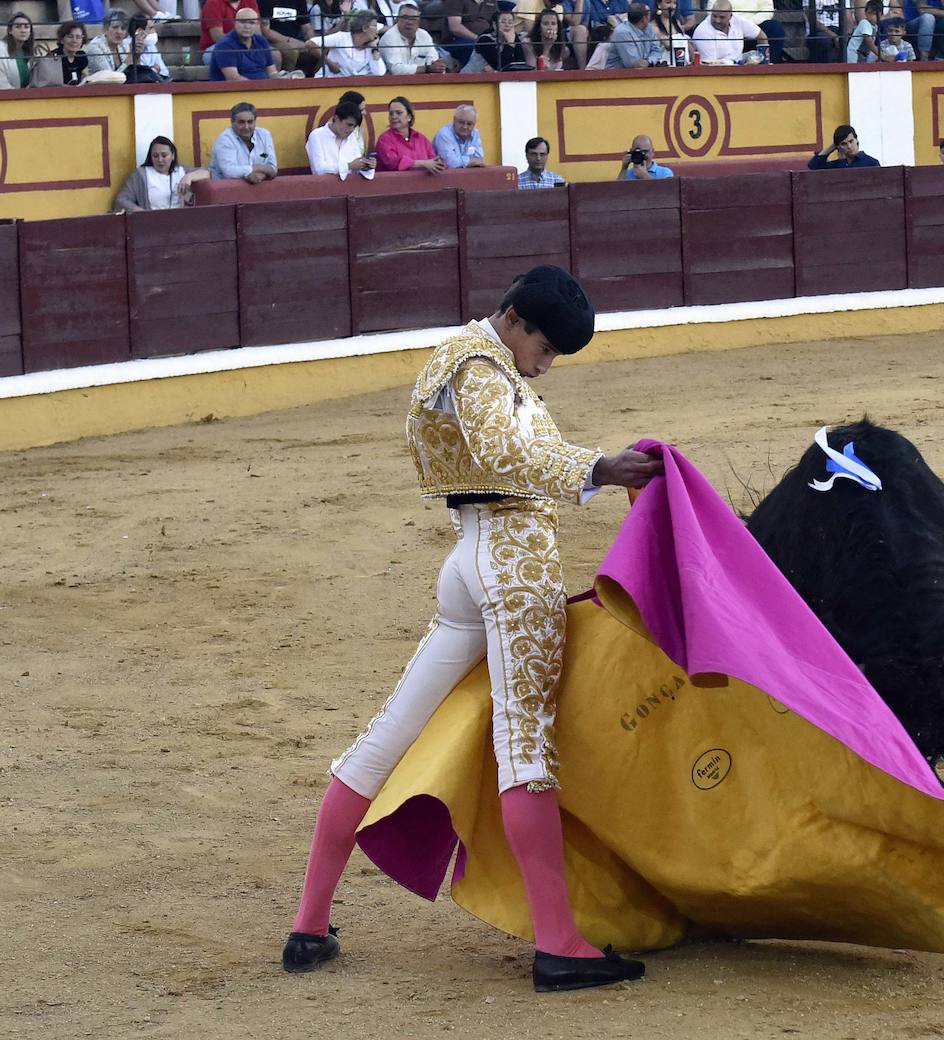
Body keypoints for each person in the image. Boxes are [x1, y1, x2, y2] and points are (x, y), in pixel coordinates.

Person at [282, 265, 662, 993]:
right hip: (512, 567)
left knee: (386, 737)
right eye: (544, 347)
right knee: (525, 747)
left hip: (469, 558)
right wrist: (601, 467)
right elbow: (504, 454)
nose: (544, 364)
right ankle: (559, 946)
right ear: (513, 317)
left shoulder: (462, 356)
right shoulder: (484, 366)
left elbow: (497, 452)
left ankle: (308, 924)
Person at [113, 136, 209, 211]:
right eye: (155, 156)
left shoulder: (181, 171)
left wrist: (188, 177)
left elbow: (208, 173)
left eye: (164, 155)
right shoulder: (141, 175)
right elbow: (121, 201)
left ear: (173, 156)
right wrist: (140, 211)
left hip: (180, 223)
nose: (160, 160)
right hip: (152, 225)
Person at [210, 100, 279, 181]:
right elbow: (229, 172)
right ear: (232, 122)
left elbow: (272, 167)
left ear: (255, 122)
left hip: (259, 189)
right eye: (241, 122)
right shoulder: (225, 139)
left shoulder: (264, 135)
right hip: (226, 189)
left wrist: (260, 176)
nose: (246, 127)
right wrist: (259, 168)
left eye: (250, 122)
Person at [307, 99, 376, 180]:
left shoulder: (352, 138)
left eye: (354, 126)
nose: (351, 129)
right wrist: (348, 166)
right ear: (336, 118)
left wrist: (366, 166)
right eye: (349, 125)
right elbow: (319, 169)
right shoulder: (317, 136)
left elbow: (357, 166)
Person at [375, 95, 446, 172]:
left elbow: (433, 160)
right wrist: (423, 163)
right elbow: (393, 163)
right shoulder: (385, 139)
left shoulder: (420, 138)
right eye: (391, 113)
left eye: (398, 113)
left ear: (409, 117)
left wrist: (439, 163)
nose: (394, 116)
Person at [309, 8, 386, 74]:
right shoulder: (341, 37)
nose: (377, 31)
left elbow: (380, 73)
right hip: (329, 83)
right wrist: (330, 63)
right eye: (375, 26)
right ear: (364, 28)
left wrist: (375, 49)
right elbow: (310, 43)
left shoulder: (370, 46)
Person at [207, 8, 280, 77]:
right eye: (242, 22)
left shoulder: (261, 41)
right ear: (234, 22)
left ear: (257, 25)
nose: (247, 26)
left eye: (251, 23)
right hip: (238, 89)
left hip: (264, 87)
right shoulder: (225, 45)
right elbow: (234, 78)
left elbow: (272, 72)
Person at [379, 1, 448, 71]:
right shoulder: (390, 37)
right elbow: (396, 69)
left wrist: (437, 66)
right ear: (397, 19)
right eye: (405, 18)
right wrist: (427, 68)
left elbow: (433, 62)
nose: (409, 22)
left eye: (413, 18)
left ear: (419, 21)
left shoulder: (424, 35)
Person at [519, 0, 591, 64]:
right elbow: (529, 29)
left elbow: (558, 30)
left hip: (551, 40)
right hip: (526, 36)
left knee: (565, 50)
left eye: (557, 2)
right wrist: (546, 46)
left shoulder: (558, 7)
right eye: (552, 1)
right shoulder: (529, 2)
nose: (554, 5)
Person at [693, 0, 763, 62]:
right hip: (718, 73)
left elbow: (762, 37)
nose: (717, 20)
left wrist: (763, 61)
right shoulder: (703, 31)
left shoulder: (738, 20)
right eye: (714, 16)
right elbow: (710, 65)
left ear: (730, 16)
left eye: (722, 17)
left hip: (739, 69)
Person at [438, 0, 499, 69]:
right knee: (475, 47)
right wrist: (478, 39)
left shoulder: (491, 1)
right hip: (456, 40)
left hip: (484, 39)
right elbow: (455, 27)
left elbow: (496, 23)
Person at [28, 20, 90, 86]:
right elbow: (51, 84)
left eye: (78, 37)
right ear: (62, 39)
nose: (74, 41)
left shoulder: (81, 56)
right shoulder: (53, 58)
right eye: (70, 36)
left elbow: (85, 77)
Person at [261, 0, 316, 74]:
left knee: (321, 50)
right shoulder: (265, 2)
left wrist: (313, 42)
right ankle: (287, 79)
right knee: (292, 50)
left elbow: (306, 26)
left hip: (297, 40)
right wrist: (290, 40)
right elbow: (266, 31)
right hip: (274, 41)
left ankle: (315, 78)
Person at [471, 7, 536, 68]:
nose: (507, 25)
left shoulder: (513, 36)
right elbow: (500, 66)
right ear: (494, 25)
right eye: (503, 22)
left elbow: (520, 62)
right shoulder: (485, 39)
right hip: (474, 77)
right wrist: (510, 44)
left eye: (510, 22)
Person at [1, 13, 48, 89]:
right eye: (18, 27)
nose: (23, 30)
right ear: (10, 30)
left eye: (26, 27)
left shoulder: (34, 52)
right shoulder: (1, 49)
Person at [433, 104, 486, 168]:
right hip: (446, 177)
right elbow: (451, 163)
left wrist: (461, 162)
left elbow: (480, 160)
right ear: (454, 120)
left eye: (469, 124)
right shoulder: (444, 134)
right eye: (461, 122)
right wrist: (470, 161)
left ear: (474, 124)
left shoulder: (475, 133)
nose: (465, 127)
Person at [808, 124, 880, 168]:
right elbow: (813, 165)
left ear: (857, 140)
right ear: (838, 147)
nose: (849, 146)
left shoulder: (871, 163)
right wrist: (833, 146)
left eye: (851, 141)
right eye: (844, 144)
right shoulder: (838, 165)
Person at [651, 0, 693, 64]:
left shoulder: (677, 23)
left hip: (682, 65)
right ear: (659, 4)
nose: (672, 6)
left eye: (674, 3)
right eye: (668, 3)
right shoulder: (653, 27)